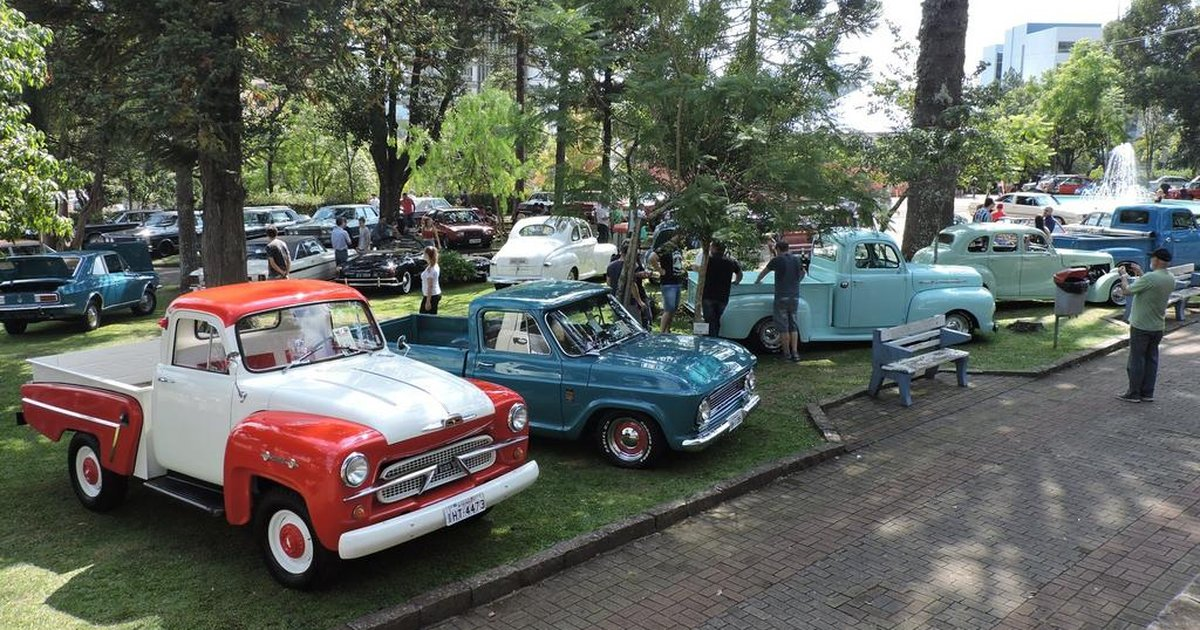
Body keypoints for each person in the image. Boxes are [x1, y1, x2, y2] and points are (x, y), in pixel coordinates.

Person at [1116, 248, 1176, 403]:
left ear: (1156, 260)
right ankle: (1148, 392)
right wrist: (1141, 272)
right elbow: (1151, 286)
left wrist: (1123, 276)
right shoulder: (1170, 278)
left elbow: (1127, 291)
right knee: (1151, 360)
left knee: (1136, 360)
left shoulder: (1150, 277)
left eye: (1153, 258)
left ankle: (1133, 393)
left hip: (1141, 326)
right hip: (1157, 326)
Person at [755, 239, 804, 362]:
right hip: (794, 296)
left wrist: (757, 281)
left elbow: (763, 272)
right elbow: (803, 273)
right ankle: (795, 353)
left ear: (777, 249)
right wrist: (796, 281)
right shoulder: (796, 259)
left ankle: (786, 354)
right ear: (788, 248)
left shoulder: (777, 260)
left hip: (781, 296)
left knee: (783, 326)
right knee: (793, 325)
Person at [698, 241, 742, 338]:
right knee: (717, 319)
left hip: (708, 295)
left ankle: (710, 340)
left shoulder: (708, 260)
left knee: (709, 320)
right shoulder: (731, 261)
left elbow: (699, 271)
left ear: (714, 248)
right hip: (723, 296)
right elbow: (739, 273)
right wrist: (736, 282)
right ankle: (715, 337)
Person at [648, 235, 685, 333]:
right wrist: (660, 270)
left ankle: (668, 330)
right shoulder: (666, 247)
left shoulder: (678, 248)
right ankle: (662, 332)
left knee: (673, 309)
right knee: (668, 309)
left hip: (677, 281)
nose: (683, 239)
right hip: (668, 282)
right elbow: (652, 257)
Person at [607, 251, 651, 327]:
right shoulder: (629, 267)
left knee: (620, 324)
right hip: (630, 302)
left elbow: (608, 283)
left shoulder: (611, 266)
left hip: (616, 300)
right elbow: (632, 285)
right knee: (636, 324)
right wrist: (640, 301)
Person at [420, 246, 442, 315]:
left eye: (425, 254)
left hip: (432, 295)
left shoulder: (432, 270)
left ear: (428, 255)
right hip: (431, 295)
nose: (423, 255)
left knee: (424, 316)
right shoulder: (431, 266)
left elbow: (430, 286)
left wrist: (428, 301)